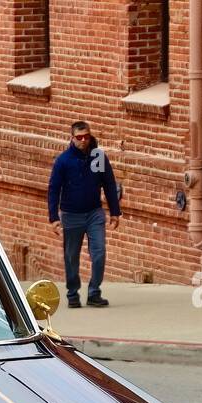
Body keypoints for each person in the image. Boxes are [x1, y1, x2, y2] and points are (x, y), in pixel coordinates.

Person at [48, 119, 122, 308]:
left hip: (94, 213)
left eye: (86, 137)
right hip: (71, 215)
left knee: (99, 252)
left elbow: (108, 183)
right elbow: (54, 189)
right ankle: (73, 293)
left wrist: (115, 211)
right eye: (79, 137)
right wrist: (54, 218)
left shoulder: (97, 157)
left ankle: (94, 292)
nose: (83, 140)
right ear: (72, 138)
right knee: (71, 256)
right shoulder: (64, 161)